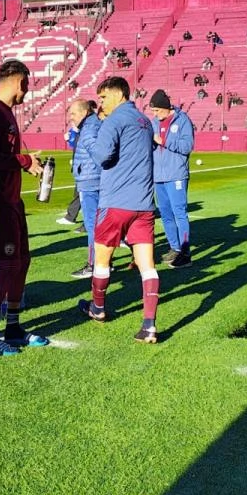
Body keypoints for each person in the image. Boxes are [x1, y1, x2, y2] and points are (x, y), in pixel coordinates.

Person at [79, 76, 161, 343]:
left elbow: (103, 156)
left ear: (117, 94)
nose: (101, 103)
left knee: (102, 260)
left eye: (103, 97)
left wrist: (89, 142)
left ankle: (98, 308)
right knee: (147, 266)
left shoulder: (114, 121)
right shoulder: (145, 121)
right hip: (144, 204)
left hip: (115, 202)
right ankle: (149, 325)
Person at [0, 59, 49, 355]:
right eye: (27, 86)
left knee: (22, 261)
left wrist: (26, 165)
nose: (27, 93)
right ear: (18, 82)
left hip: (13, 202)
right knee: (6, 264)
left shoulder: (6, 113)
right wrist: (24, 161)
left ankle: (14, 327)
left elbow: (6, 158)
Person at [148, 89, 195, 267]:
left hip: (176, 175)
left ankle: (185, 253)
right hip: (158, 176)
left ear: (166, 108)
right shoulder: (153, 122)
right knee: (166, 215)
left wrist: (164, 141)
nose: (155, 114)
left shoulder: (182, 120)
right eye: (153, 111)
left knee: (179, 213)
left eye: (157, 111)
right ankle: (174, 248)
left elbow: (187, 146)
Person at [67, 99, 101, 279]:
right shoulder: (91, 125)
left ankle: (94, 264)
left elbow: (100, 154)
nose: (71, 118)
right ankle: (102, 263)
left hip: (91, 182)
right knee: (97, 224)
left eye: (73, 113)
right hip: (91, 180)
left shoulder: (89, 129)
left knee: (92, 225)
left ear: (84, 112)